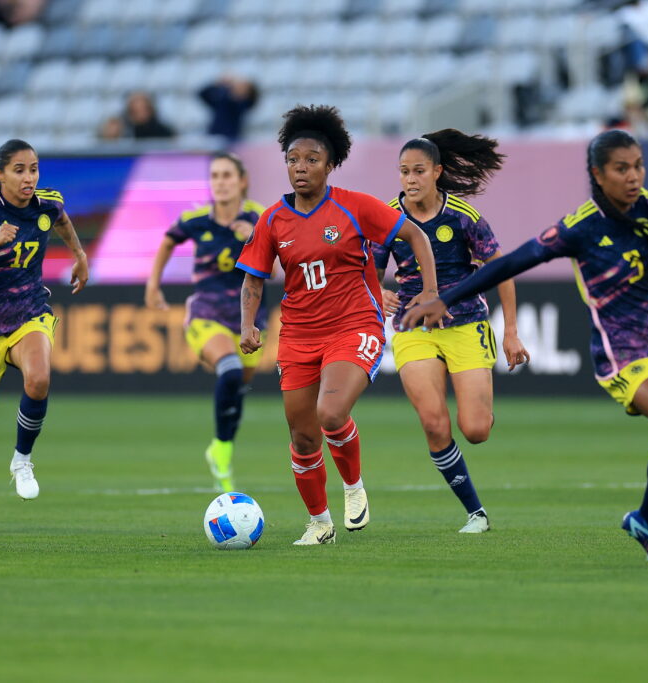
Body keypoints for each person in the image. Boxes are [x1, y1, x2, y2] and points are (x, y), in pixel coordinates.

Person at [402, 129, 648, 566]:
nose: (633, 177)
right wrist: (446, 298)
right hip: (623, 355)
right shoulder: (579, 228)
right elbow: (511, 262)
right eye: (621, 168)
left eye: (638, 166)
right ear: (598, 173)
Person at [236, 104, 439, 546]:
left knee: (330, 413)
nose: (301, 168)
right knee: (302, 435)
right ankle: (319, 523)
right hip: (298, 334)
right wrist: (248, 325)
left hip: (354, 324)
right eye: (293, 160)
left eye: (311, 159)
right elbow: (253, 277)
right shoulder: (272, 219)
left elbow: (416, 237)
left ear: (330, 164)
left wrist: (428, 291)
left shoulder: (355, 207)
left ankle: (353, 487)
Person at [372, 129, 529, 533]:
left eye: (419, 171)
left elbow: (503, 269)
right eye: (404, 171)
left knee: (474, 430)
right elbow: (365, 272)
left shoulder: (464, 217)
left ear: (437, 172)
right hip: (413, 328)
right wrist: (379, 293)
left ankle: (482, 412)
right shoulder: (388, 217)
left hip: (466, 324)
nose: (410, 179)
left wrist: (510, 332)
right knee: (433, 423)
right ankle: (475, 513)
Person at [0, 139, 89, 531]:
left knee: (39, 378)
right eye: (20, 170)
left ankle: (22, 461)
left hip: (28, 310)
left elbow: (60, 219)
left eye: (34, 169)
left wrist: (79, 255)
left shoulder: (47, 203)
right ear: (0, 174)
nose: (29, 178)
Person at [145, 153, 266, 492]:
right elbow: (169, 240)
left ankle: (221, 448)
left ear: (242, 181)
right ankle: (223, 450)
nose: (220, 181)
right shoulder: (197, 219)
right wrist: (153, 284)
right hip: (206, 312)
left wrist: (254, 238)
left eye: (227, 175)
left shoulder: (261, 217)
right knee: (228, 369)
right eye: (215, 175)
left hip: (251, 317)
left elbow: (284, 258)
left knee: (238, 385)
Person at [199, 76, 259, 145]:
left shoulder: (243, 105)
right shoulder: (222, 101)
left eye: (243, 87)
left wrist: (228, 86)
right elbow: (202, 94)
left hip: (229, 140)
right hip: (213, 137)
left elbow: (234, 101)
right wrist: (217, 84)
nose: (238, 87)